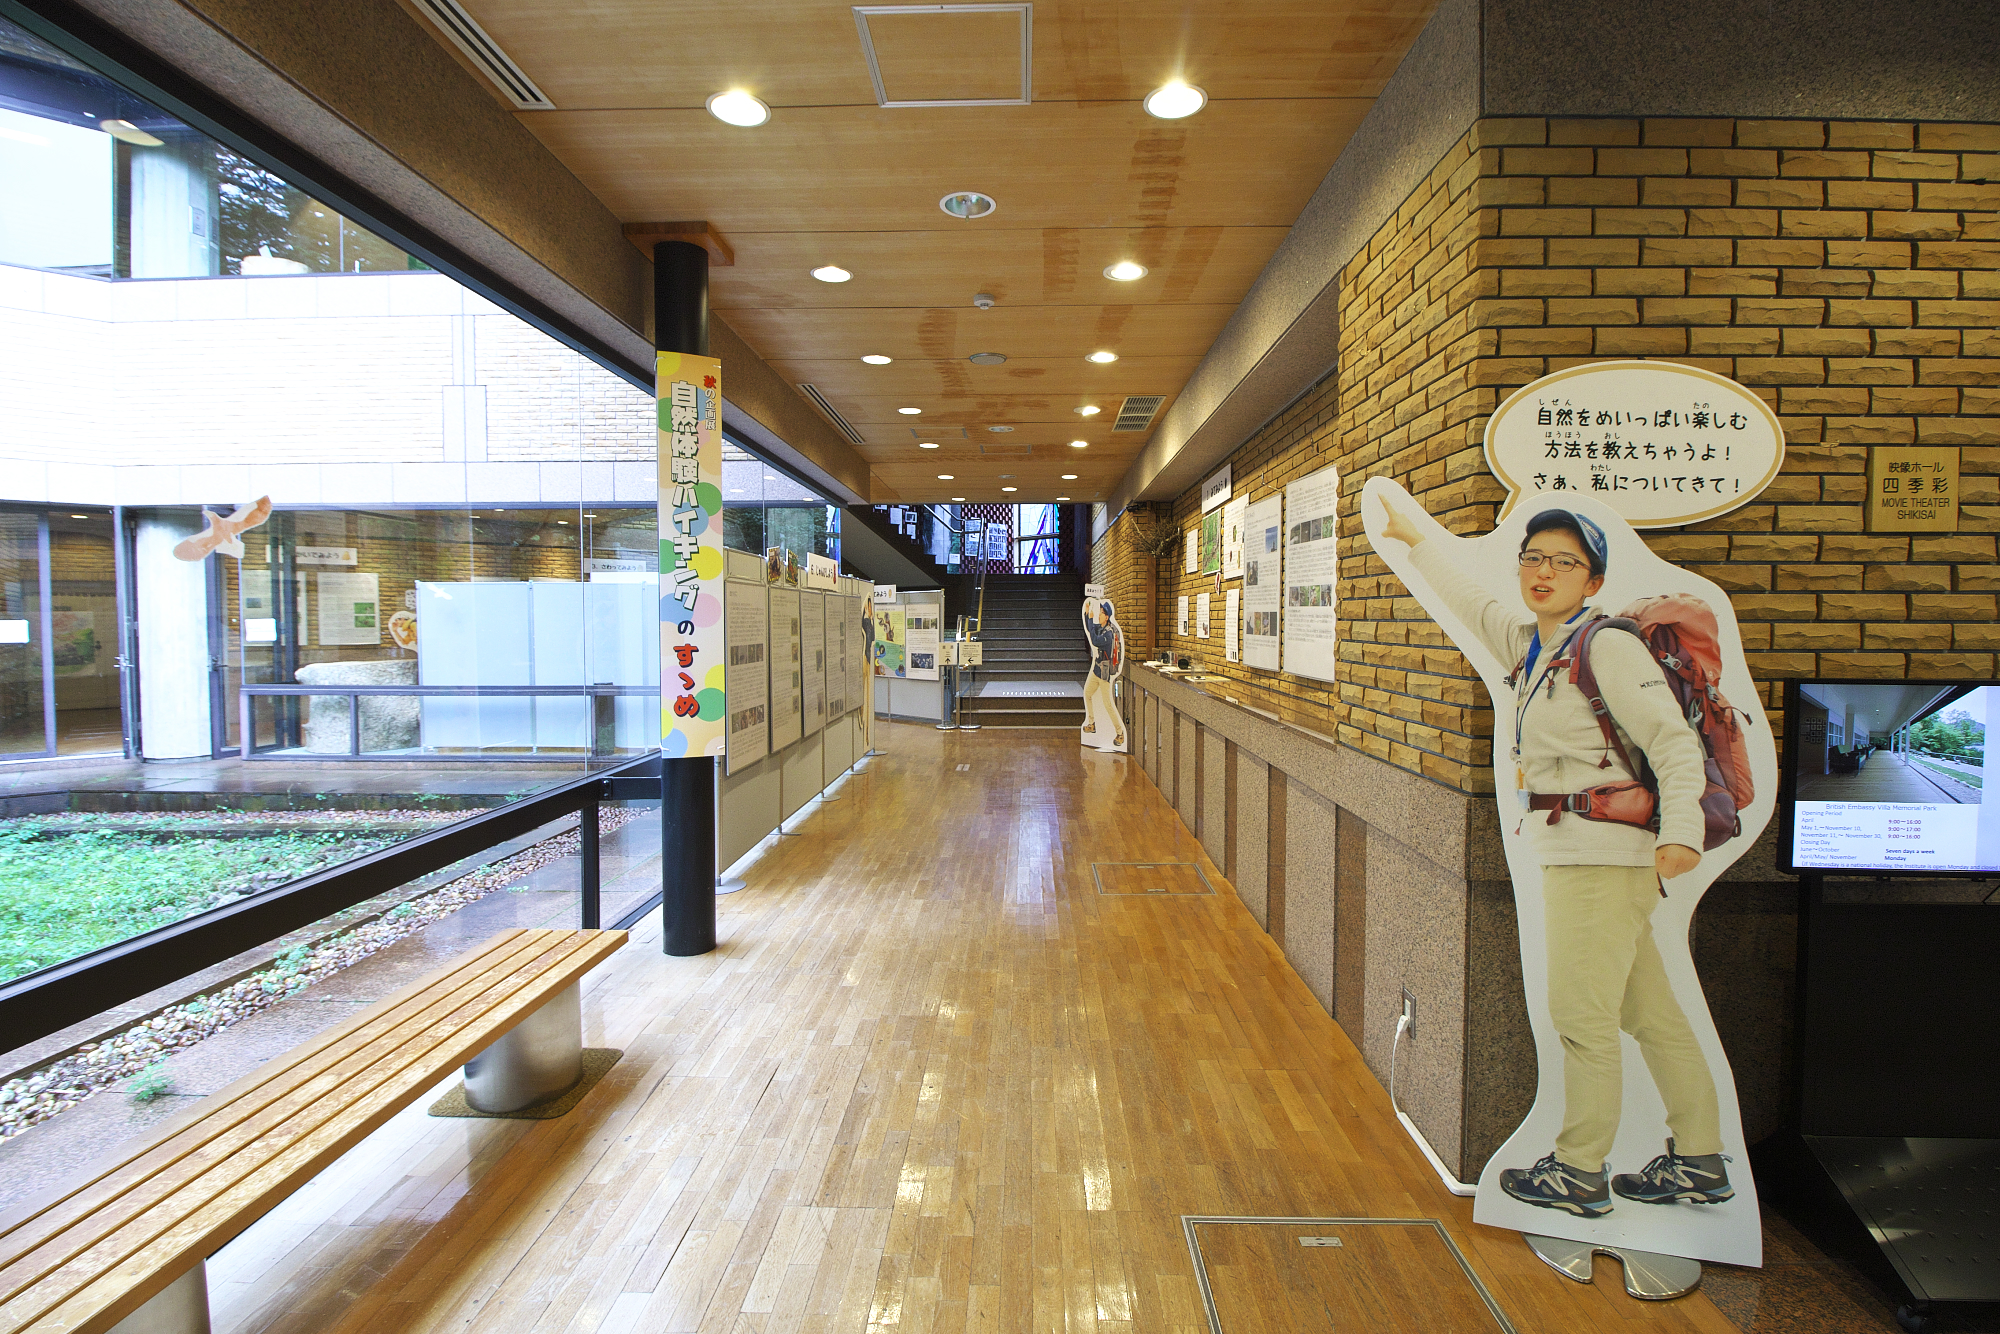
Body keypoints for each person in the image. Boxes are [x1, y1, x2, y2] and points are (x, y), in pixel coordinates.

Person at [1374, 495, 1733, 1218]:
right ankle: (1699, 1158)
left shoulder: (1608, 647)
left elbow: (1672, 741)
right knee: (1650, 1013)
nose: (1544, 572)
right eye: (1533, 558)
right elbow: (1471, 602)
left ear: (1592, 581)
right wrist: (1417, 539)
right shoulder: (1534, 646)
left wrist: (1683, 831)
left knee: (1580, 1017)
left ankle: (1579, 1170)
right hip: (1585, 855)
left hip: (1602, 858)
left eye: (1564, 562)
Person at [1081, 598, 1125, 748]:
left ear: (1106, 617)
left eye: (1100, 613)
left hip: (1104, 672)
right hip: (1097, 669)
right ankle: (1091, 723)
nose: (1098, 615)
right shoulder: (1102, 628)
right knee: (1087, 693)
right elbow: (1091, 629)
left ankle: (1119, 733)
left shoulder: (1109, 634)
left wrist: (1090, 618)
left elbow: (1094, 640)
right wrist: (1088, 615)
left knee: (1108, 704)